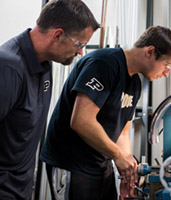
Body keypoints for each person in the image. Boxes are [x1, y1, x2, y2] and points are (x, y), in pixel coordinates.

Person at [40, 25, 171, 200]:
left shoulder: (134, 83)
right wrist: (118, 155)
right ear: (150, 51)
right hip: (72, 163)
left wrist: (127, 174)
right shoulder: (104, 64)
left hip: (101, 164)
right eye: (167, 64)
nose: (167, 73)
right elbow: (81, 121)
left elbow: (122, 132)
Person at [0, 0, 99, 199]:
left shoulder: (45, 65)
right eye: (79, 44)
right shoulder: (9, 67)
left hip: (22, 188)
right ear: (58, 35)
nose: (80, 52)